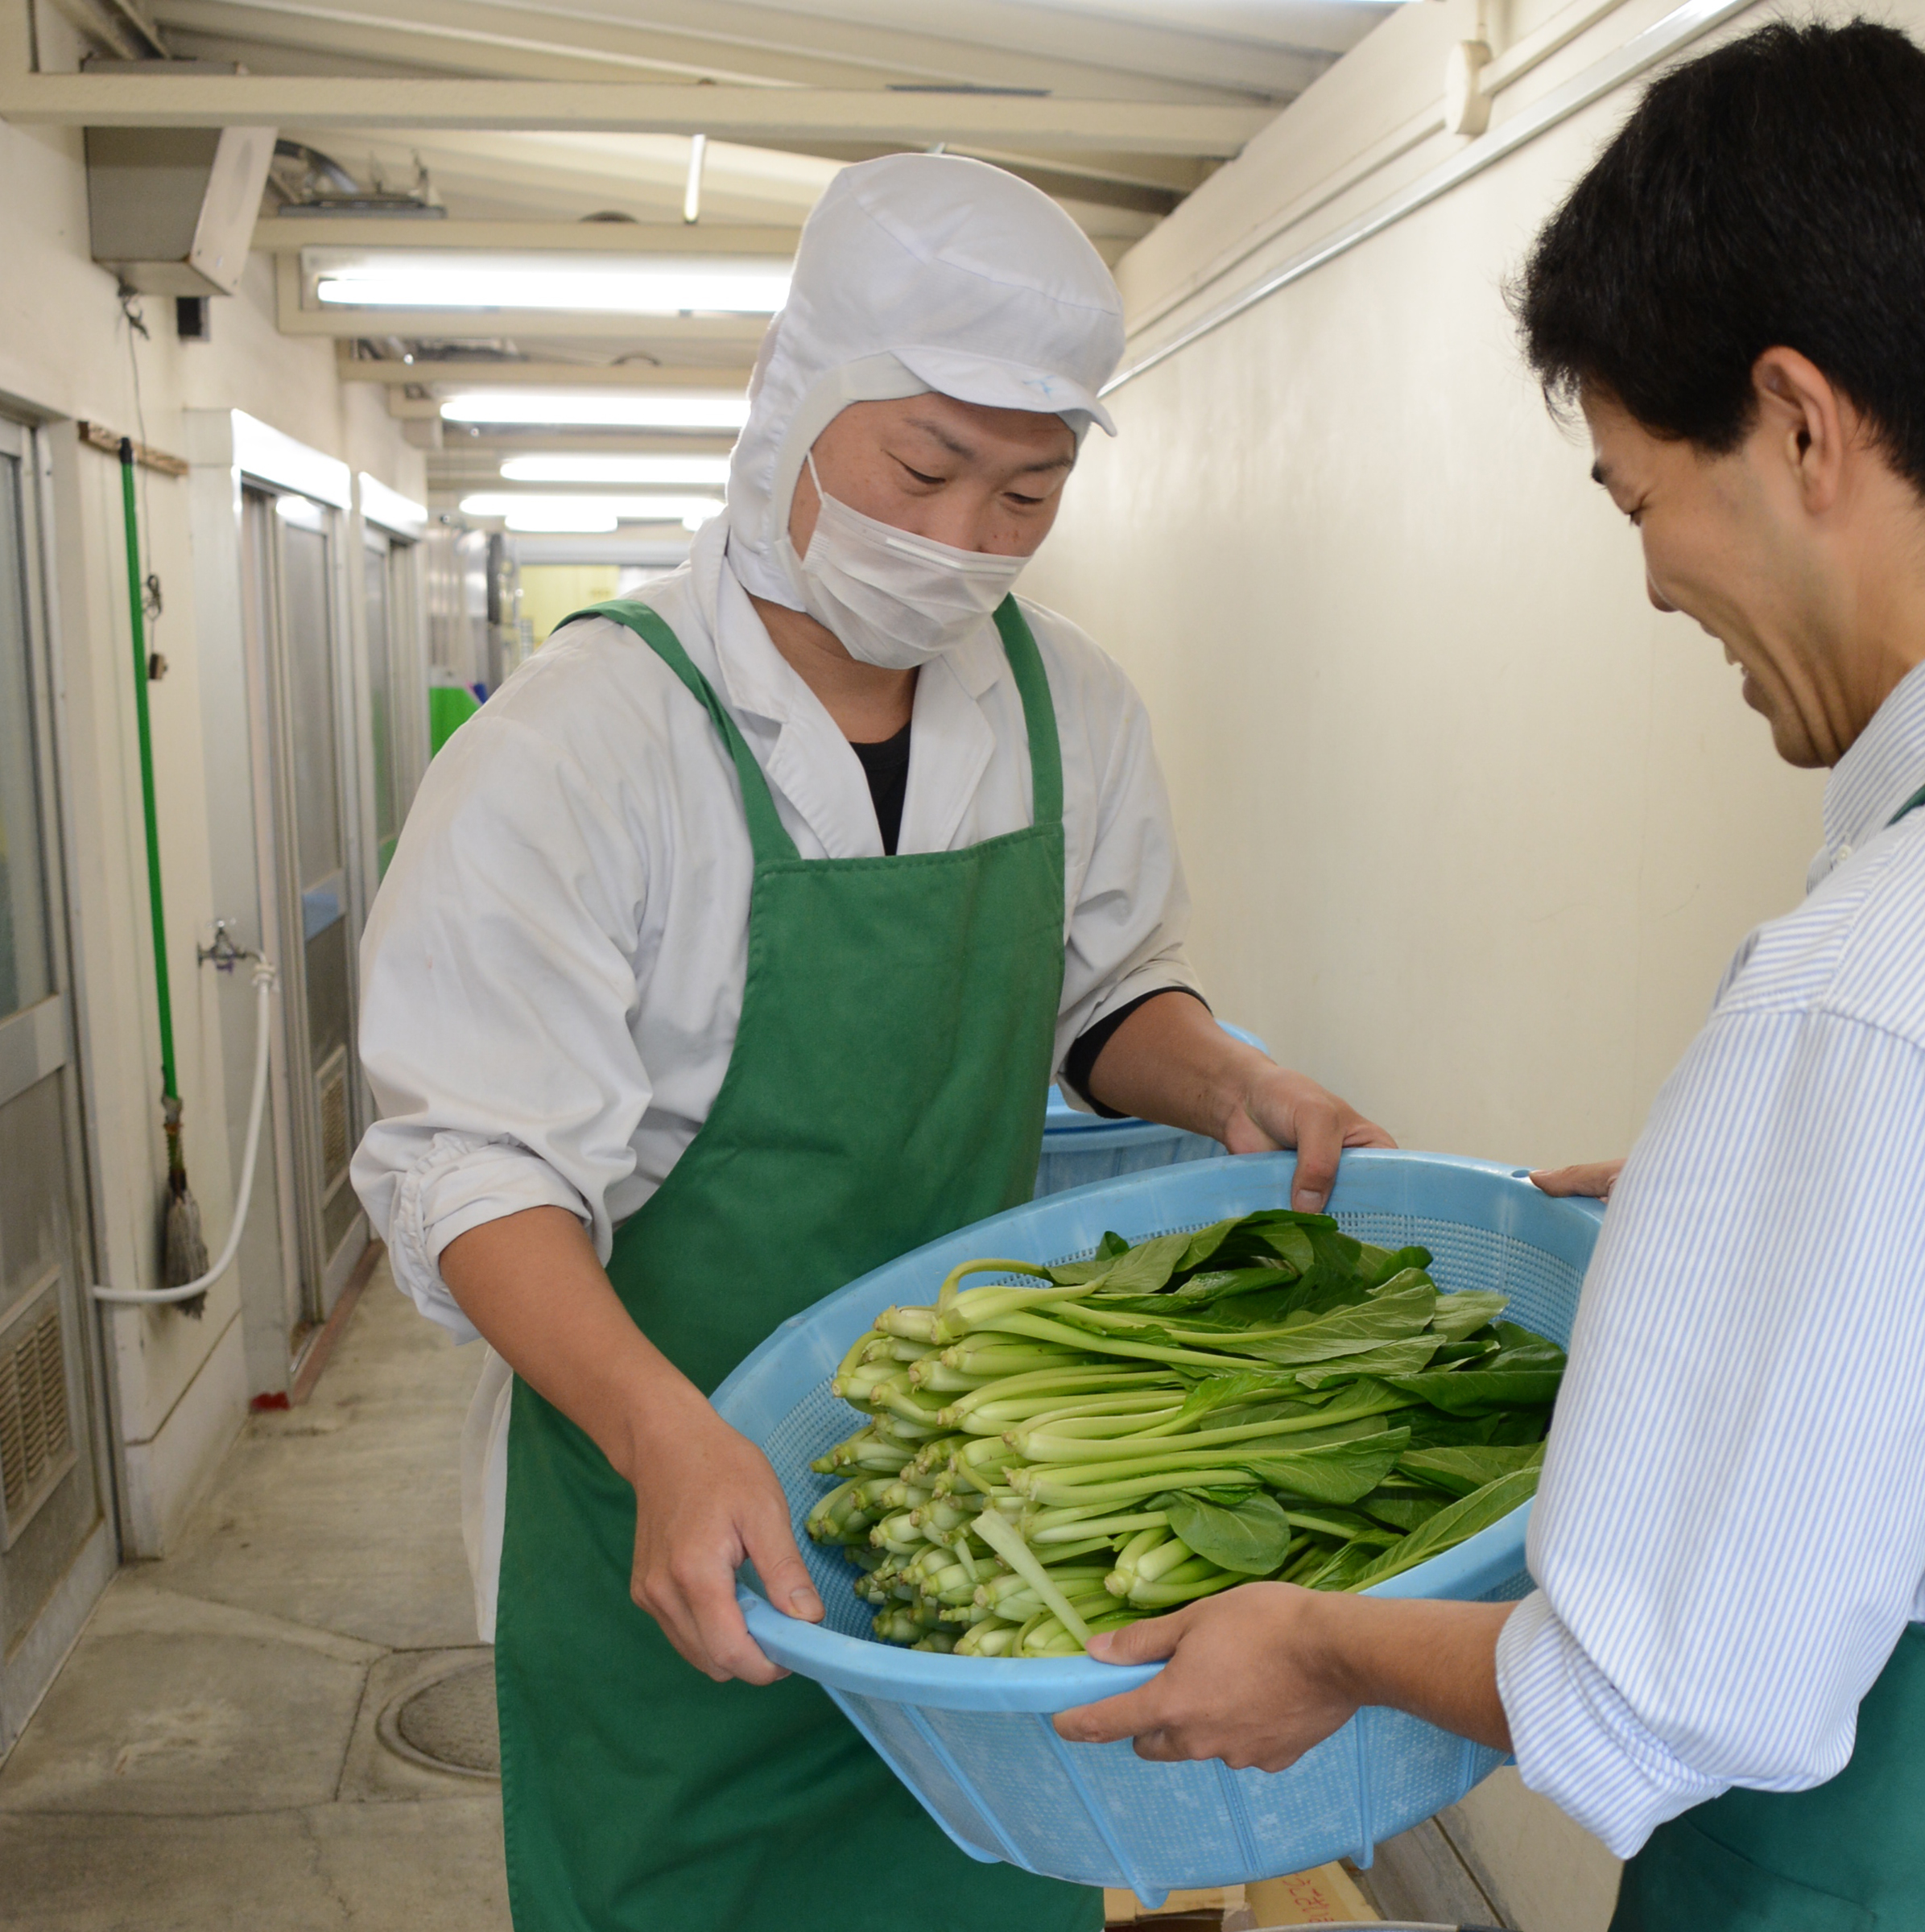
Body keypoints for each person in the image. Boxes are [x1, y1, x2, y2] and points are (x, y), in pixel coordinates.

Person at [1054, 23, 1925, 1931]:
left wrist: (1322, 1648)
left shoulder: (1886, 984)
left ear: (1797, 422)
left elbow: (1663, 1703)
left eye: (1634, 497)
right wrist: (1759, 1219)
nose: (1657, 580)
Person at [352, 154, 1390, 1932]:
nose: (967, 538)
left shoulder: (1070, 711)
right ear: (796, 406)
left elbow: (1104, 994)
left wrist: (1225, 1079)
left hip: (967, 1518)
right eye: (925, 468)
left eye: (1029, 494)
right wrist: (665, 1432)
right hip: (660, 1531)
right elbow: (473, 1170)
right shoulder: (583, 745)